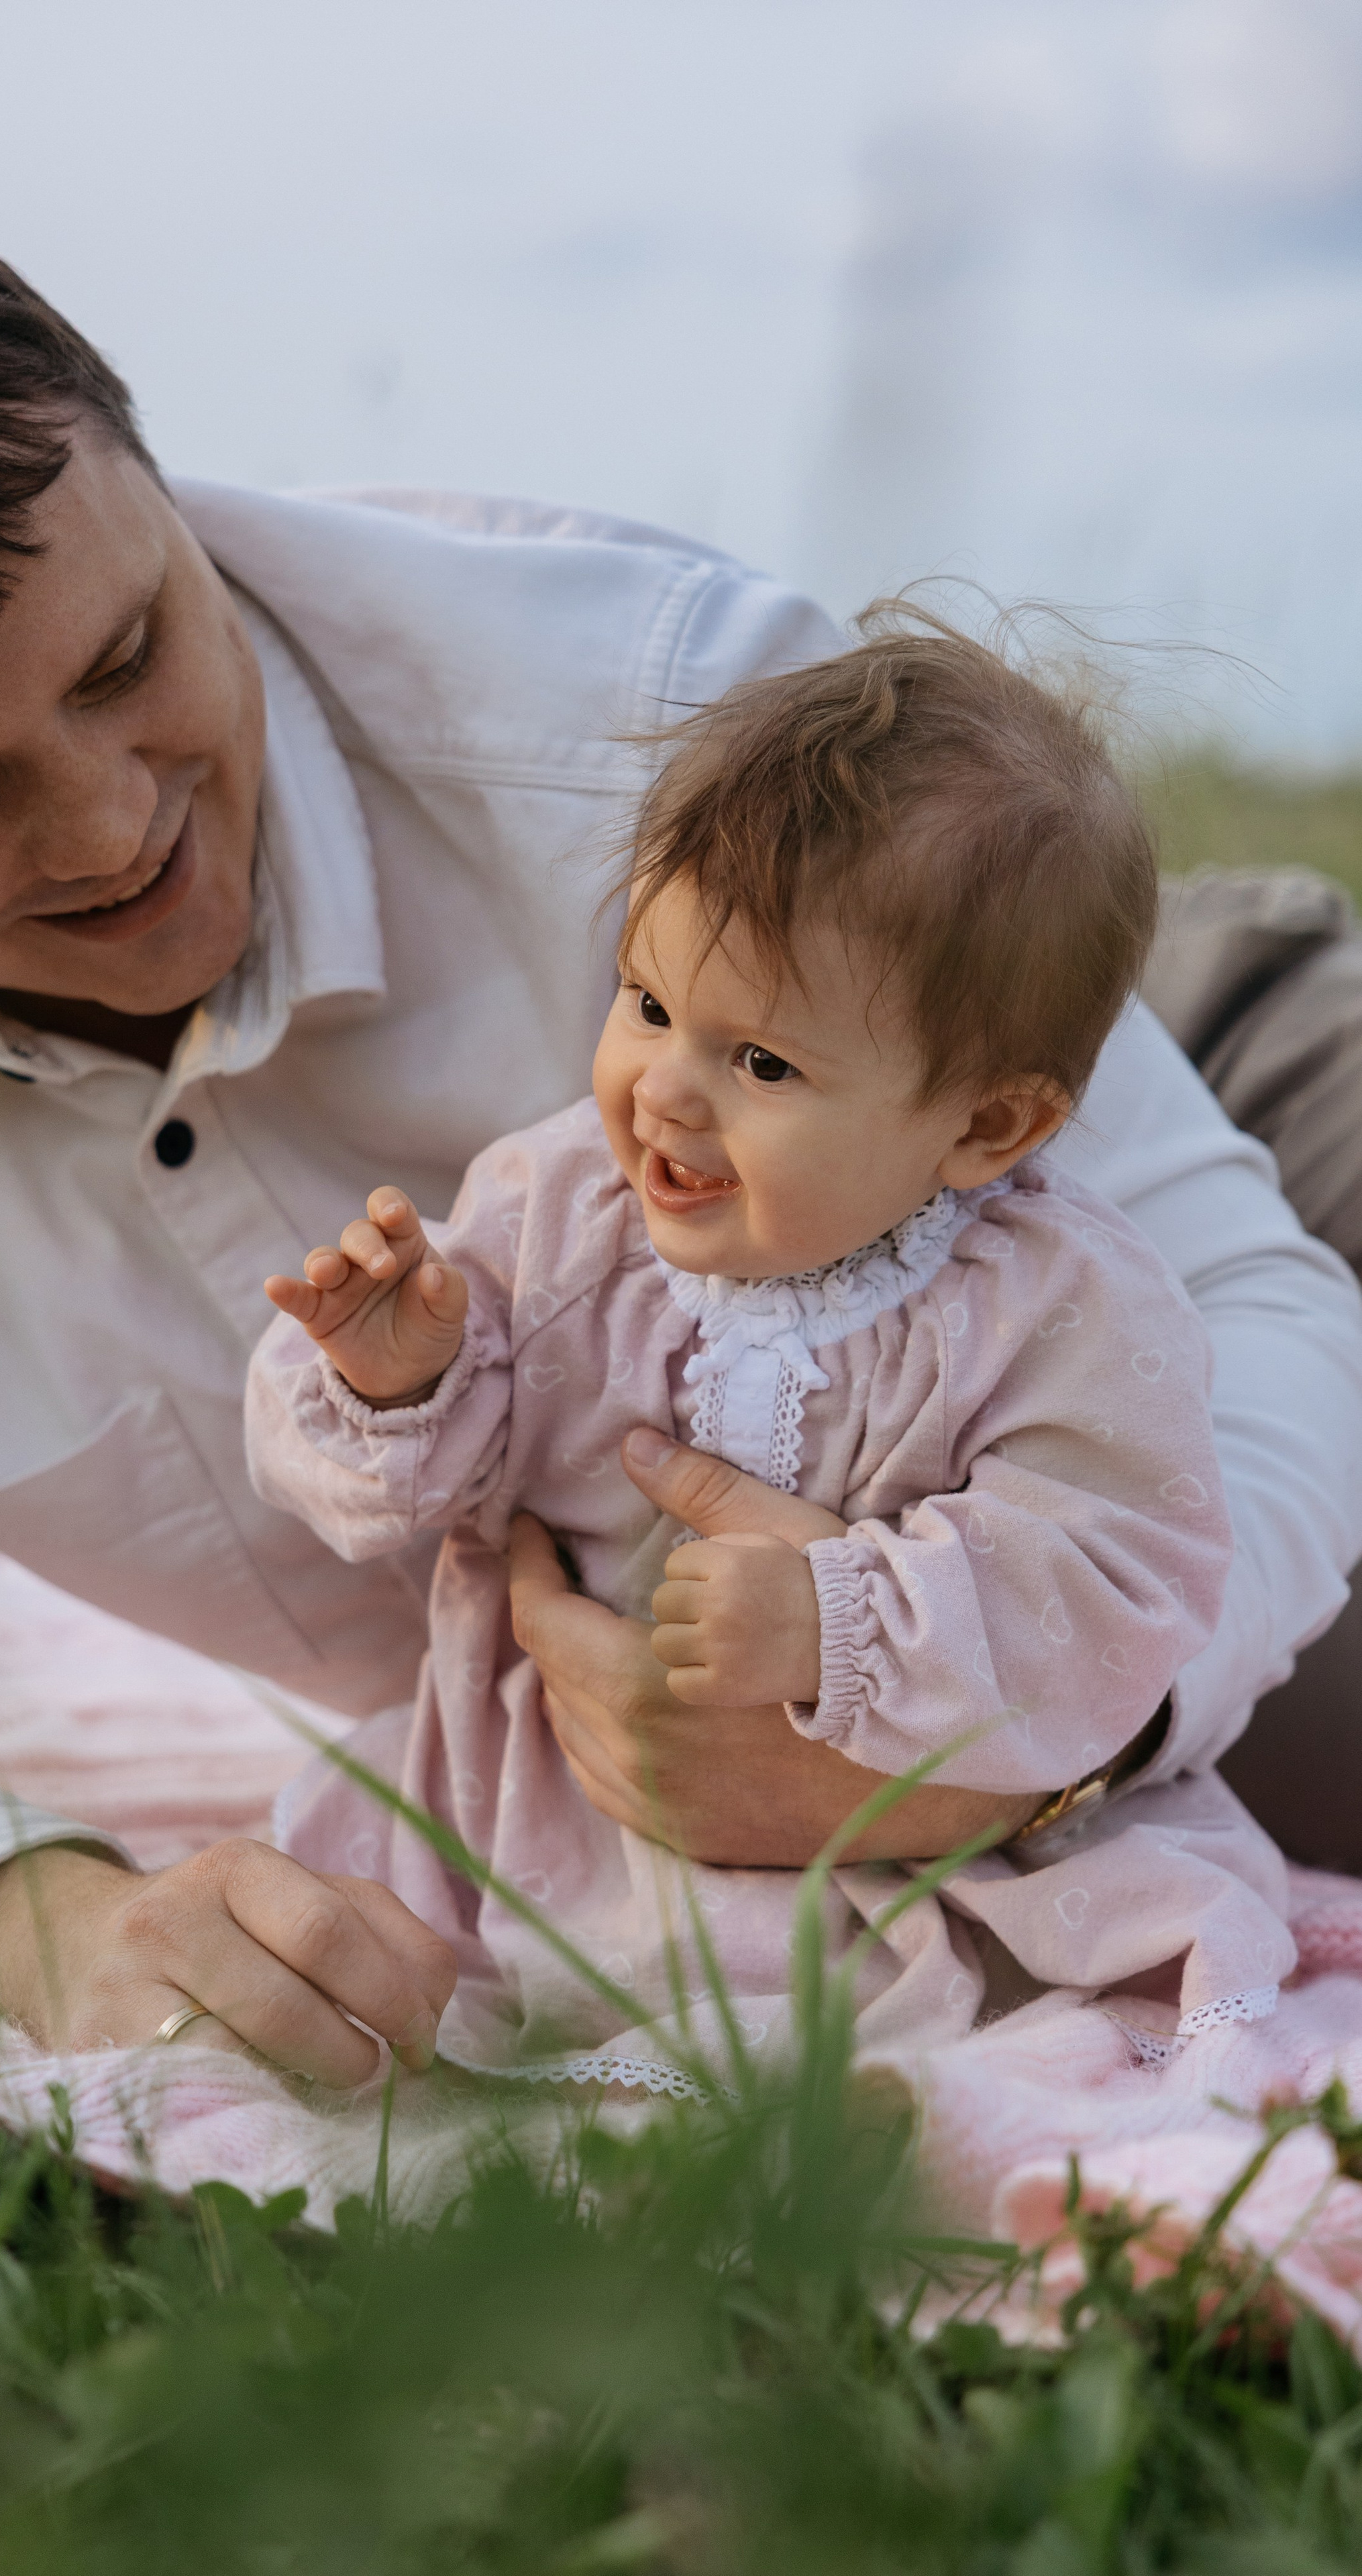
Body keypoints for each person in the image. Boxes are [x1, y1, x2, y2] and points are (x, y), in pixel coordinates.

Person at [0, 178, 1357, 2078]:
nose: (111, 826)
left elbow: (1255, 1318)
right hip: (648, 1755)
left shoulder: (652, 706)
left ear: (153, 469)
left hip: (1141, 1061)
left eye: (129, 657)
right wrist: (22, 1914)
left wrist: (1021, 1768)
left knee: (1324, 1743)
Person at [246, 634, 1291, 2082]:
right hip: (547, 1809)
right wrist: (400, 1374)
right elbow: (411, 1479)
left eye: (763, 1064)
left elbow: (1116, 1579)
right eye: (648, 1003)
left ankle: (880, 2111)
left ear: (984, 1128)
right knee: (352, 1930)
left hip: (910, 1847)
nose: (659, 1090)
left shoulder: (1055, 1307)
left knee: (1055, 2007)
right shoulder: (555, 1218)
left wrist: (834, 1618)